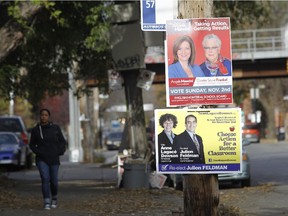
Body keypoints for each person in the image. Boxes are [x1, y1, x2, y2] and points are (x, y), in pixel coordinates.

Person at [29, 108, 67, 210]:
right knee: (45, 179)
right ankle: (46, 201)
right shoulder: (36, 130)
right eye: (42, 115)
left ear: (48, 117)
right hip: (41, 159)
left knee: (54, 180)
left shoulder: (55, 128)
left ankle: (54, 198)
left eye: (46, 115)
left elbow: (62, 142)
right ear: (40, 116)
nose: (44, 117)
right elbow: (31, 145)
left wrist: (60, 151)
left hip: (54, 158)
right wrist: (38, 152)